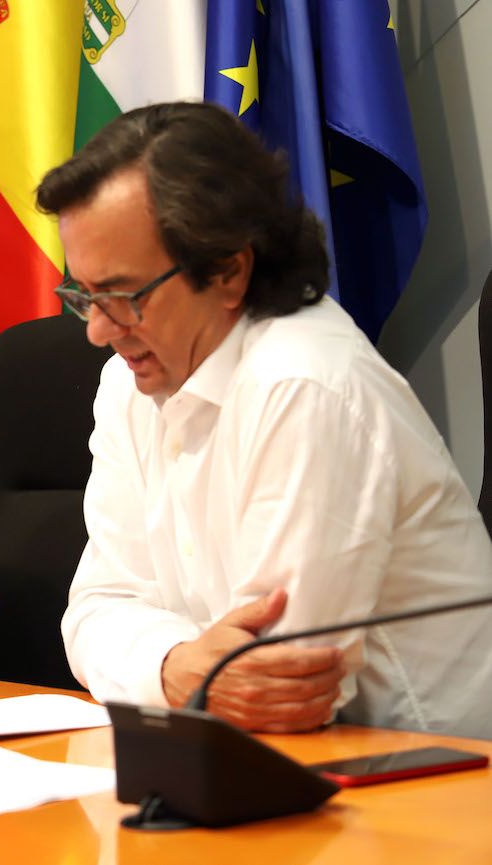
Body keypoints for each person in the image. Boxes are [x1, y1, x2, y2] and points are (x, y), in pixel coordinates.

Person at [47, 101, 492, 738]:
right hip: (273, 762)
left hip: (434, 779)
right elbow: (94, 608)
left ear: (229, 270)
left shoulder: (304, 381)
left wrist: (166, 667)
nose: (96, 331)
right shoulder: (128, 382)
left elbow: (281, 683)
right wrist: (176, 667)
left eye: (122, 296)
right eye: (85, 296)